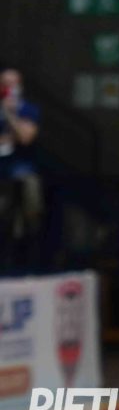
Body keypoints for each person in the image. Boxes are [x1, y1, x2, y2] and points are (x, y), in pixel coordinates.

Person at [0, 68, 42, 273]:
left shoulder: (29, 109)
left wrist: (10, 114)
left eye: (13, 84)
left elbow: (26, 138)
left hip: (21, 169)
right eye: (5, 84)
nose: (9, 88)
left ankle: (30, 259)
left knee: (30, 201)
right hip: (2, 168)